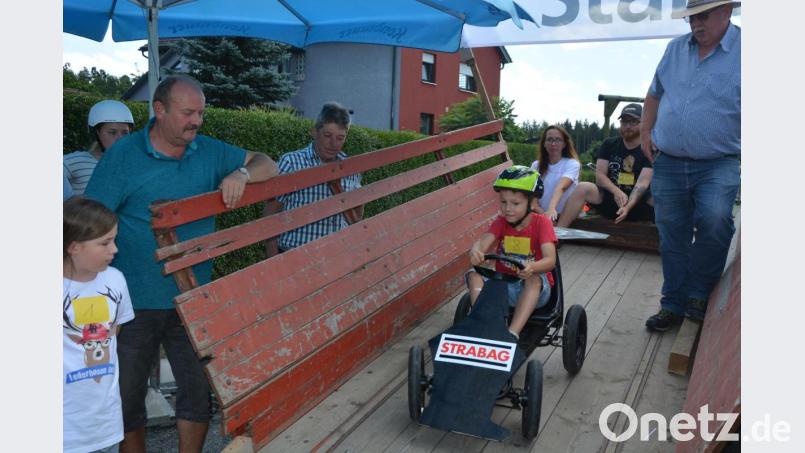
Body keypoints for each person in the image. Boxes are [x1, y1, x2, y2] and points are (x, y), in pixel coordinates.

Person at [85, 75, 279, 453]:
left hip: (193, 300)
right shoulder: (123, 156)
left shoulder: (206, 150)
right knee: (126, 398)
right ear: (159, 110)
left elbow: (267, 163)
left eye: (201, 113)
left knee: (195, 391)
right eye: (188, 112)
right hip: (132, 301)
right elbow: (91, 222)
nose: (197, 121)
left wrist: (241, 173)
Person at [640, 0, 741, 332]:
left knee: (714, 220)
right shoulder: (674, 49)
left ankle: (698, 295)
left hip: (719, 162)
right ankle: (672, 302)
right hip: (668, 160)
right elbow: (654, 94)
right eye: (692, 17)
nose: (696, 23)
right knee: (672, 233)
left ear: (727, 11)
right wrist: (644, 131)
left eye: (704, 15)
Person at [63, 197, 135, 453]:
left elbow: (114, 329)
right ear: (74, 246)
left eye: (114, 239)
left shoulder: (115, 280)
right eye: (104, 242)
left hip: (105, 425)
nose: (114, 249)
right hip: (65, 431)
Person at [468, 166, 557, 339]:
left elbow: (550, 260)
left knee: (534, 279)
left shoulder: (542, 223)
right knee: (473, 274)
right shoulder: (501, 222)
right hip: (504, 286)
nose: (507, 208)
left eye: (515, 203)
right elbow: (483, 243)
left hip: (534, 291)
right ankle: (483, 322)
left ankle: (512, 334)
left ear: (531, 203)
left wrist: (532, 267)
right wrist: (476, 251)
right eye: (503, 202)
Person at [264, 102, 362, 256]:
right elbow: (270, 214)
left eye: (340, 138)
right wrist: (272, 262)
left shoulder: (350, 168)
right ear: (314, 132)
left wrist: (338, 189)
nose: (333, 144)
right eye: (327, 135)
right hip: (295, 258)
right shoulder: (291, 162)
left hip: (337, 258)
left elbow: (356, 220)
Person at [557, 103, 654, 228]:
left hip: (638, 203)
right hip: (611, 199)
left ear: (643, 123)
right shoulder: (609, 144)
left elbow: (642, 184)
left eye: (634, 122)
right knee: (583, 187)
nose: (628, 126)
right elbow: (600, 176)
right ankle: (558, 233)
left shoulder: (649, 148)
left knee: (662, 196)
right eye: (624, 122)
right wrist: (616, 191)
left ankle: (666, 242)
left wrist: (628, 206)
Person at [64, 100, 135, 197]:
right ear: (96, 133)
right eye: (112, 132)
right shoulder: (76, 162)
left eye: (125, 133)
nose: (120, 139)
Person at [529, 125, 581, 223]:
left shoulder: (572, 163)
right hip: (542, 215)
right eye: (549, 139)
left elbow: (561, 187)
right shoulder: (536, 165)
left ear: (564, 144)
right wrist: (544, 214)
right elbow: (532, 194)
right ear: (544, 143)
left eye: (558, 140)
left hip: (565, 217)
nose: (553, 143)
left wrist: (551, 209)